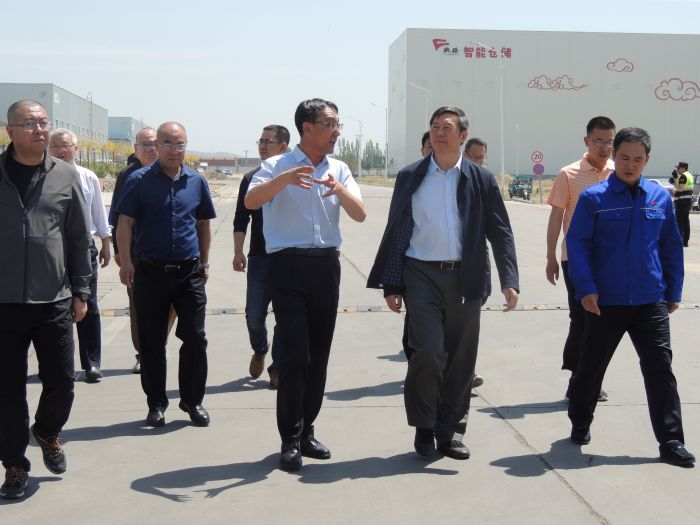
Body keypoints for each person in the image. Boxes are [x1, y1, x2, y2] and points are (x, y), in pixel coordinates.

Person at [368, 106, 519, 460]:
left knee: (461, 359)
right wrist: (392, 284)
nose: (439, 132)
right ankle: (424, 426)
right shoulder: (411, 176)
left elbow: (500, 230)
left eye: (447, 127)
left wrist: (509, 279)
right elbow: (397, 230)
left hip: (467, 276)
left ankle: (450, 432)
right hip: (421, 274)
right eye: (435, 126)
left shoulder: (481, 179)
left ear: (462, 135)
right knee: (427, 351)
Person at [245, 98, 365, 471]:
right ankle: (290, 437)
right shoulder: (274, 166)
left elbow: (360, 213)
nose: (337, 131)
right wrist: (283, 180)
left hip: (326, 266)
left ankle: (307, 429)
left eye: (338, 124)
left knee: (318, 354)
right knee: (295, 354)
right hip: (287, 266)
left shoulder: (339, 169)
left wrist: (339, 190)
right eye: (330, 124)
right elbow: (251, 201)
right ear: (307, 128)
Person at [566, 127, 694, 467]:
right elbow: (578, 245)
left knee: (660, 368)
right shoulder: (594, 198)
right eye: (624, 157)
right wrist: (586, 288)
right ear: (614, 156)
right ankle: (580, 420)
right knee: (592, 366)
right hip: (605, 301)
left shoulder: (659, 197)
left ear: (647, 160)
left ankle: (671, 440)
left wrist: (674, 290)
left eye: (638, 159)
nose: (630, 164)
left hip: (650, 299)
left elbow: (671, 245)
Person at [0, 100, 91, 500]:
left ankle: (47, 430)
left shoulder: (65, 175)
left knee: (62, 382)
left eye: (43, 122)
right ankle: (14, 466)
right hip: (3, 304)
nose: (39, 129)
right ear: (10, 131)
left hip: (53, 299)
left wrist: (82, 290)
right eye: (29, 123)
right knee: (6, 392)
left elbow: (78, 237)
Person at [115, 122, 216, 428]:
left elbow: (203, 225)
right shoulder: (138, 180)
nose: (174, 150)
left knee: (195, 338)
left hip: (188, 273)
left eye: (180, 143)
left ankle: (192, 401)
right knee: (151, 342)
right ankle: (156, 403)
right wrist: (126, 262)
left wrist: (205, 262)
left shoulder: (196, 182)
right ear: (157, 146)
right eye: (168, 144)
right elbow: (125, 223)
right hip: (150, 272)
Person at [545, 116, 616, 402]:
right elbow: (556, 217)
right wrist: (550, 257)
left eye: (609, 141)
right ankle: (578, 378)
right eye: (598, 140)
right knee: (582, 319)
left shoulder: (618, 173)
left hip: (610, 261)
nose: (604, 147)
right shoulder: (569, 174)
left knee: (603, 322)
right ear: (587, 141)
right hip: (575, 259)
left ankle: (591, 380)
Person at [110, 128, 177, 374]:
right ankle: (143, 352)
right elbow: (117, 217)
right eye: (144, 144)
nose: (149, 148)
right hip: (137, 254)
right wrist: (120, 251)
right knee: (138, 307)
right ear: (135, 148)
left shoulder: (174, 171)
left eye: (153, 143)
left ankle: (159, 343)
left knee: (171, 304)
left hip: (171, 255)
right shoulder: (128, 176)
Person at [49, 129, 111, 383]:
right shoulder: (44, 177)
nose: (60, 150)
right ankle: (56, 365)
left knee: (88, 304)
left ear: (75, 148)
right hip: (53, 250)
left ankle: (92, 363)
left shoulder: (87, 176)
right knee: (54, 308)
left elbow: (99, 212)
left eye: (65, 145)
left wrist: (106, 242)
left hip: (84, 248)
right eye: (55, 145)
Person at [233, 125, 289, 389]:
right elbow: (241, 218)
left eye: (269, 141)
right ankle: (260, 349)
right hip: (259, 258)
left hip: (287, 259)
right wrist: (238, 251)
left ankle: (277, 367)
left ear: (283, 146)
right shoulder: (251, 178)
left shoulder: (292, 177)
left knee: (284, 317)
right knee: (254, 317)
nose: (263, 146)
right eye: (261, 141)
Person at [463, 137, 490, 389]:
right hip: (443, 268)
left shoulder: (486, 182)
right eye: (474, 157)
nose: (478, 161)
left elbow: (498, 230)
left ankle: (466, 374)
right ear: (465, 155)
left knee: (469, 327)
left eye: (482, 158)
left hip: (476, 262)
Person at [669, 161, 693, 247]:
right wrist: (676, 178)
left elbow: (680, 189)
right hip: (687, 201)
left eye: (678, 168)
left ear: (683, 168)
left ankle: (680, 239)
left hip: (681, 202)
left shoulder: (683, 176)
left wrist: (673, 183)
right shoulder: (689, 175)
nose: (677, 169)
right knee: (685, 221)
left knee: (680, 221)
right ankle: (685, 241)